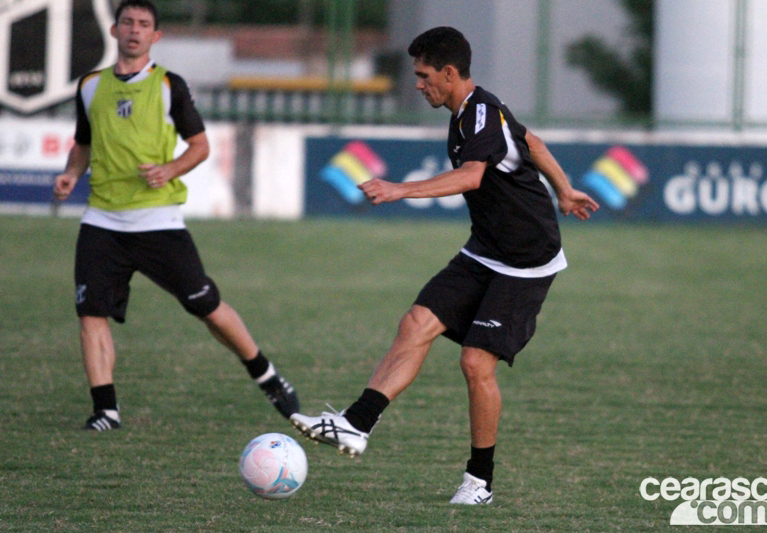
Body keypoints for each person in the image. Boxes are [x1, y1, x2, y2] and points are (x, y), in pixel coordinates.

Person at [291, 26, 598, 504]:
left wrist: (398, 189)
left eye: (423, 75)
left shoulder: (480, 114)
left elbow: (471, 177)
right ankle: (356, 424)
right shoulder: (471, 111)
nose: (418, 84)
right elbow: (532, 141)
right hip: (485, 249)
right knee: (417, 322)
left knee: (475, 363)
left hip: (525, 261)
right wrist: (563, 188)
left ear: (450, 73)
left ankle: (480, 483)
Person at [53, 0, 298, 431]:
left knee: (205, 303)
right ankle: (105, 410)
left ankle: (265, 373)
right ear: (114, 30)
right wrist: (72, 173)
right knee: (91, 312)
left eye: (144, 24)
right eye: (127, 22)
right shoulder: (91, 86)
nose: (134, 30)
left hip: (157, 221)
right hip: (102, 221)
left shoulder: (170, 85)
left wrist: (169, 169)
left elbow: (200, 146)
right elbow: (83, 142)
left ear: (155, 36)